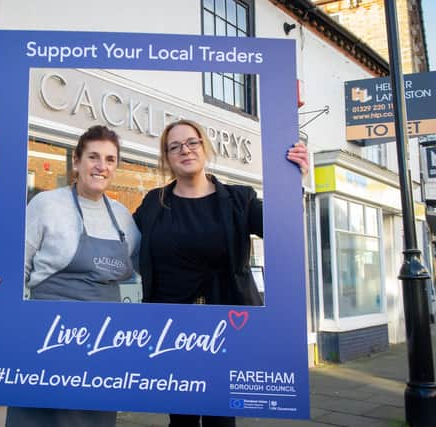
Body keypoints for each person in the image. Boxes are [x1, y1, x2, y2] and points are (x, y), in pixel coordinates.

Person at [132, 119, 308, 427]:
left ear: (204, 146)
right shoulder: (153, 204)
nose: (185, 150)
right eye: (175, 146)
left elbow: (281, 226)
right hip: (172, 332)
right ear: (167, 157)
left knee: (221, 418)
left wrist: (295, 181)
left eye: (191, 142)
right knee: (182, 420)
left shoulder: (239, 199)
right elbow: (123, 239)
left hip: (226, 329)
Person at [0, 125, 140, 427]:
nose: (101, 166)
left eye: (110, 159)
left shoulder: (122, 216)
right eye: (93, 157)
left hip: (102, 350)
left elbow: (149, 265)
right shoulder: (47, 204)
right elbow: (15, 267)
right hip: (47, 345)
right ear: (76, 162)